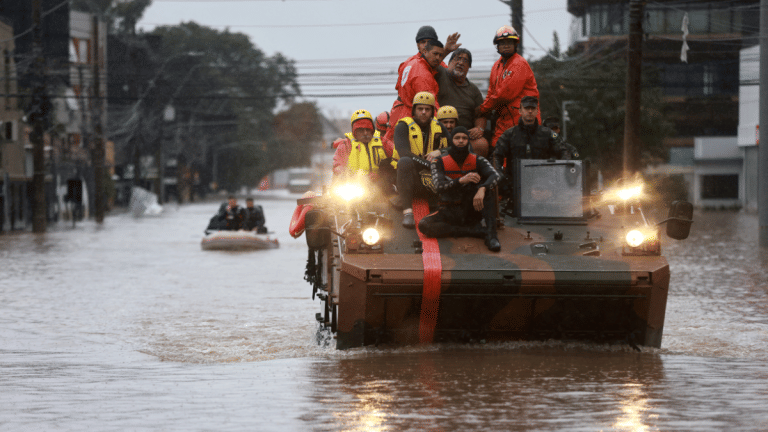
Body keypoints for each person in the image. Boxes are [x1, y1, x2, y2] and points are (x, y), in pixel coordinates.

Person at [418, 127, 501, 251]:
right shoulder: (438, 161)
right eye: (457, 138)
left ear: (468, 141)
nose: (461, 141)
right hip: (449, 210)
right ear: (452, 140)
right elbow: (439, 186)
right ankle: (473, 232)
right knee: (424, 225)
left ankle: (491, 236)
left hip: (471, 210)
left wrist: (482, 188)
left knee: (488, 190)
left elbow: (495, 175)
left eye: (464, 138)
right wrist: (461, 180)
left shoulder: (478, 160)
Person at [493, 96, 569, 203]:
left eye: (533, 108)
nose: (529, 111)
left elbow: (563, 151)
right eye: (526, 108)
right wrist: (499, 175)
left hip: (544, 186)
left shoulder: (547, 134)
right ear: (520, 111)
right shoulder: (509, 134)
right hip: (515, 186)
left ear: (537, 111)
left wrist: (559, 173)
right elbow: (497, 155)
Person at [391, 91, 449, 228]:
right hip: (408, 177)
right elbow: (404, 152)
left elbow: (458, 148)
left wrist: (440, 151)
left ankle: (444, 206)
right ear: (414, 110)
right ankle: (407, 212)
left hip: (432, 179)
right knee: (404, 161)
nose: (423, 112)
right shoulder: (402, 126)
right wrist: (430, 165)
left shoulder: (439, 127)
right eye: (420, 109)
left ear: (432, 111)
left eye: (427, 109)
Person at [476, 25, 539, 149]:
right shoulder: (496, 66)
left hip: (523, 118)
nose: (506, 45)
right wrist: (485, 108)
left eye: (510, 42)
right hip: (504, 118)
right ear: (497, 46)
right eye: (502, 42)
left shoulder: (519, 63)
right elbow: (491, 92)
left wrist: (483, 109)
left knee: (518, 155)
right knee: (497, 148)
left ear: (515, 45)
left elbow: (505, 93)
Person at [384, 38, 446, 146]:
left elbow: (398, 86)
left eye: (441, 55)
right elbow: (430, 105)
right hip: (410, 118)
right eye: (435, 54)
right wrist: (443, 126)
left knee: (391, 149)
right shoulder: (423, 75)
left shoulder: (411, 62)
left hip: (398, 111)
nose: (438, 58)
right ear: (425, 52)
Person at [435, 48, 489, 157]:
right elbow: (431, 63)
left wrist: (479, 128)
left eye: (465, 61)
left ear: (469, 67)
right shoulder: (440, 74)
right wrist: (446, 49)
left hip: (464, 136)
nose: (460, 62)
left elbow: (481, 114)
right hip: (440, 133)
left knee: (481, 144)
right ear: (449, 63)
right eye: (457, 59)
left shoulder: (473, 89)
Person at [332, 109, 396, 191]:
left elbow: (397, 157)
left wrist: (386, 171)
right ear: (354, 131)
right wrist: (345, 175)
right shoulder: (345, 145)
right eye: (361, 130)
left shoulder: (383, 142)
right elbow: (338, 165)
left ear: (372, 130)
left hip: (381, 187)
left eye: (368, 129)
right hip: (354, 189)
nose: (365, 133)